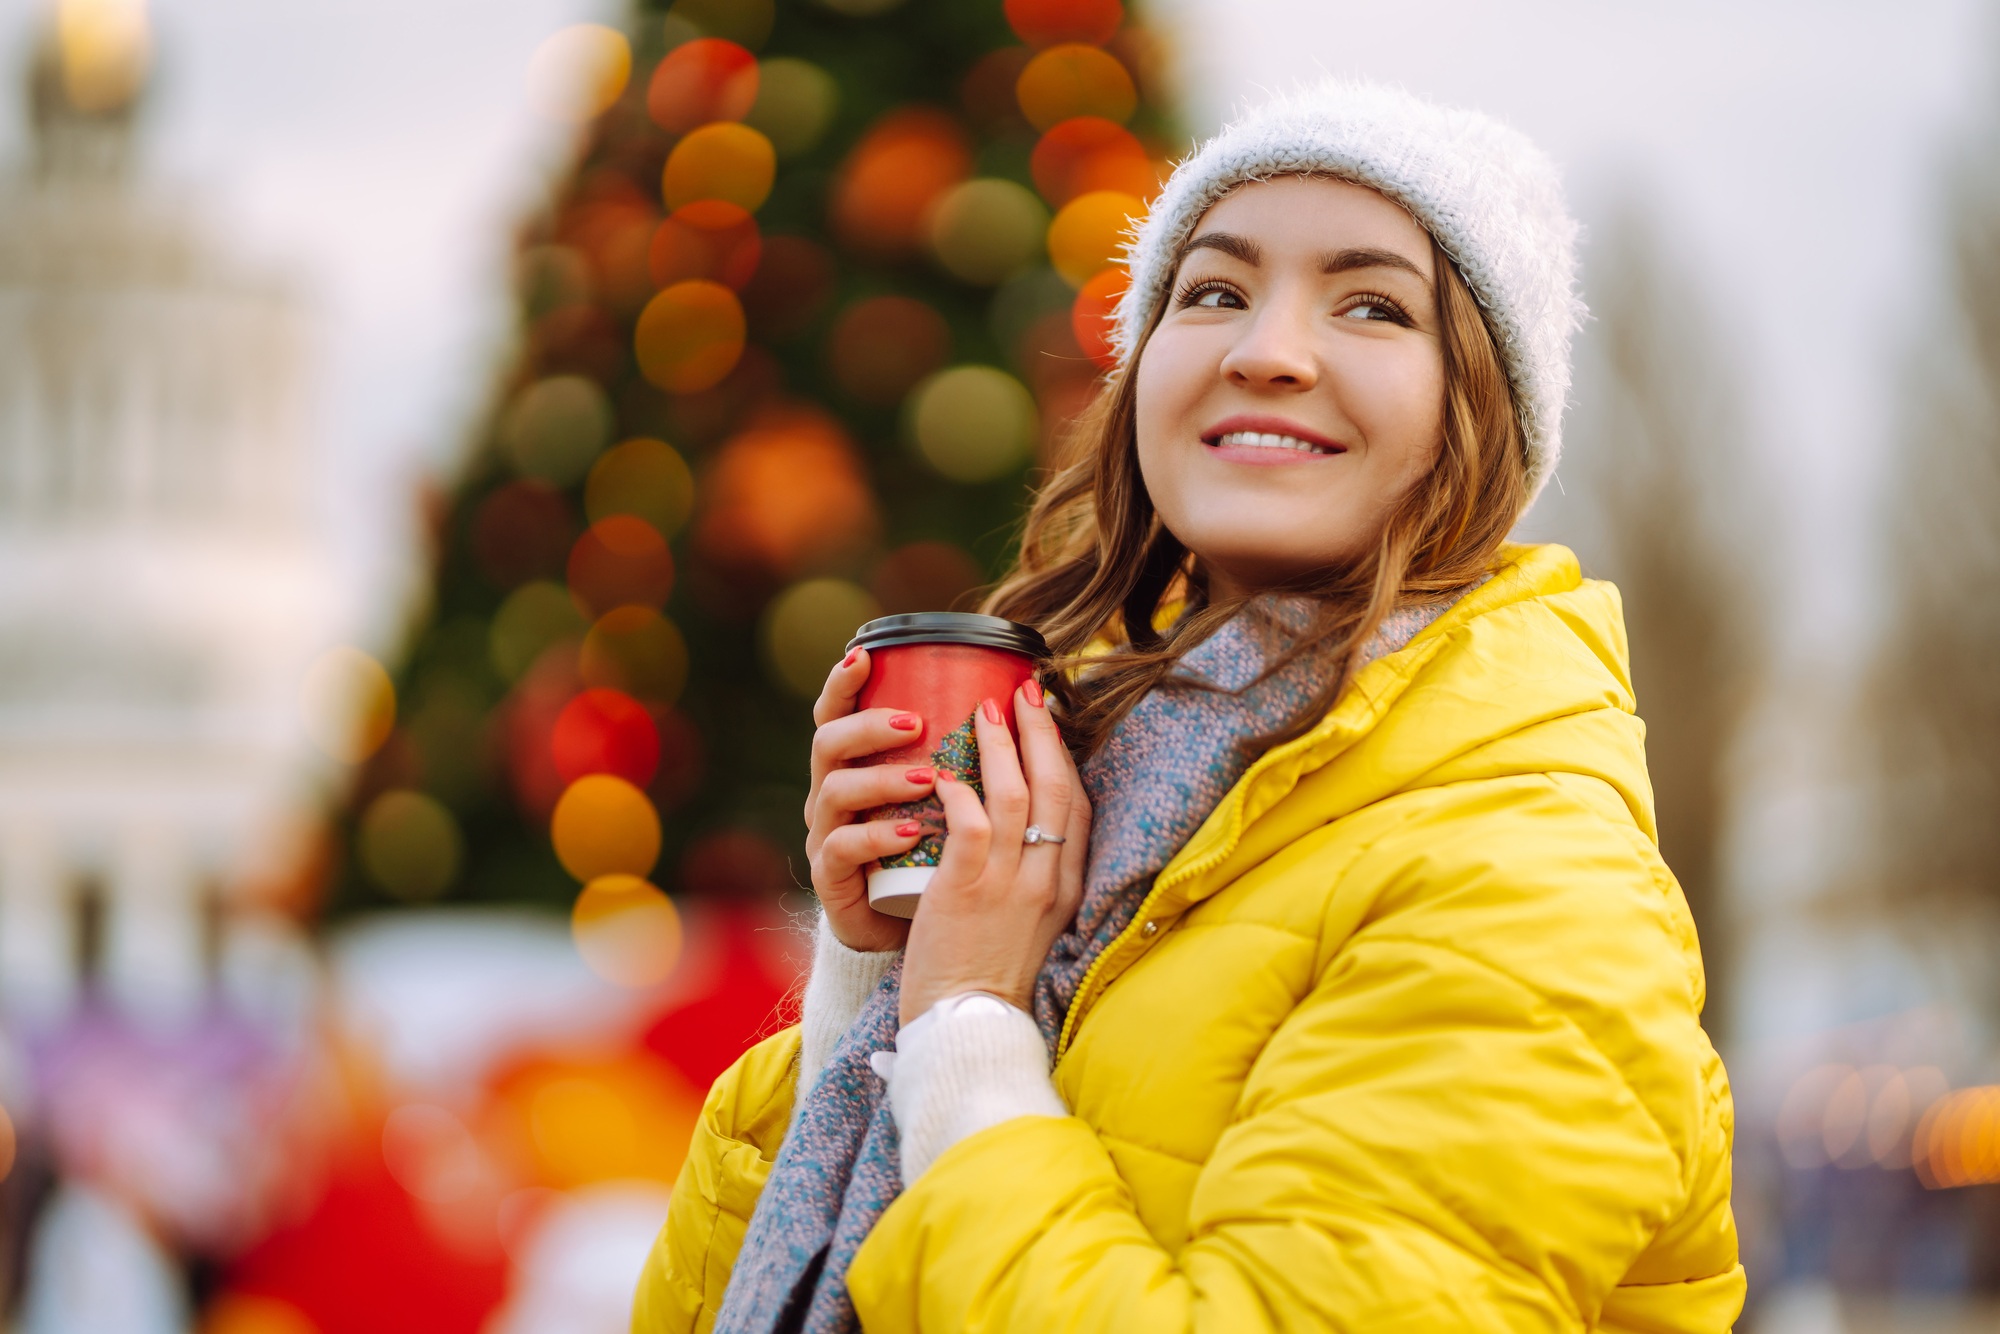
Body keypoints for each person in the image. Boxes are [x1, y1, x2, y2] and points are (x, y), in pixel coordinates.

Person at [633, 80, 1745, 1333]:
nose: (1261, 348)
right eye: (1211, 290)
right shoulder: (1097, 802)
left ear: (1476, 419)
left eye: (1370, 303)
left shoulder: (1527, 885)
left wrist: (965, 1022)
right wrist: (885, 966)